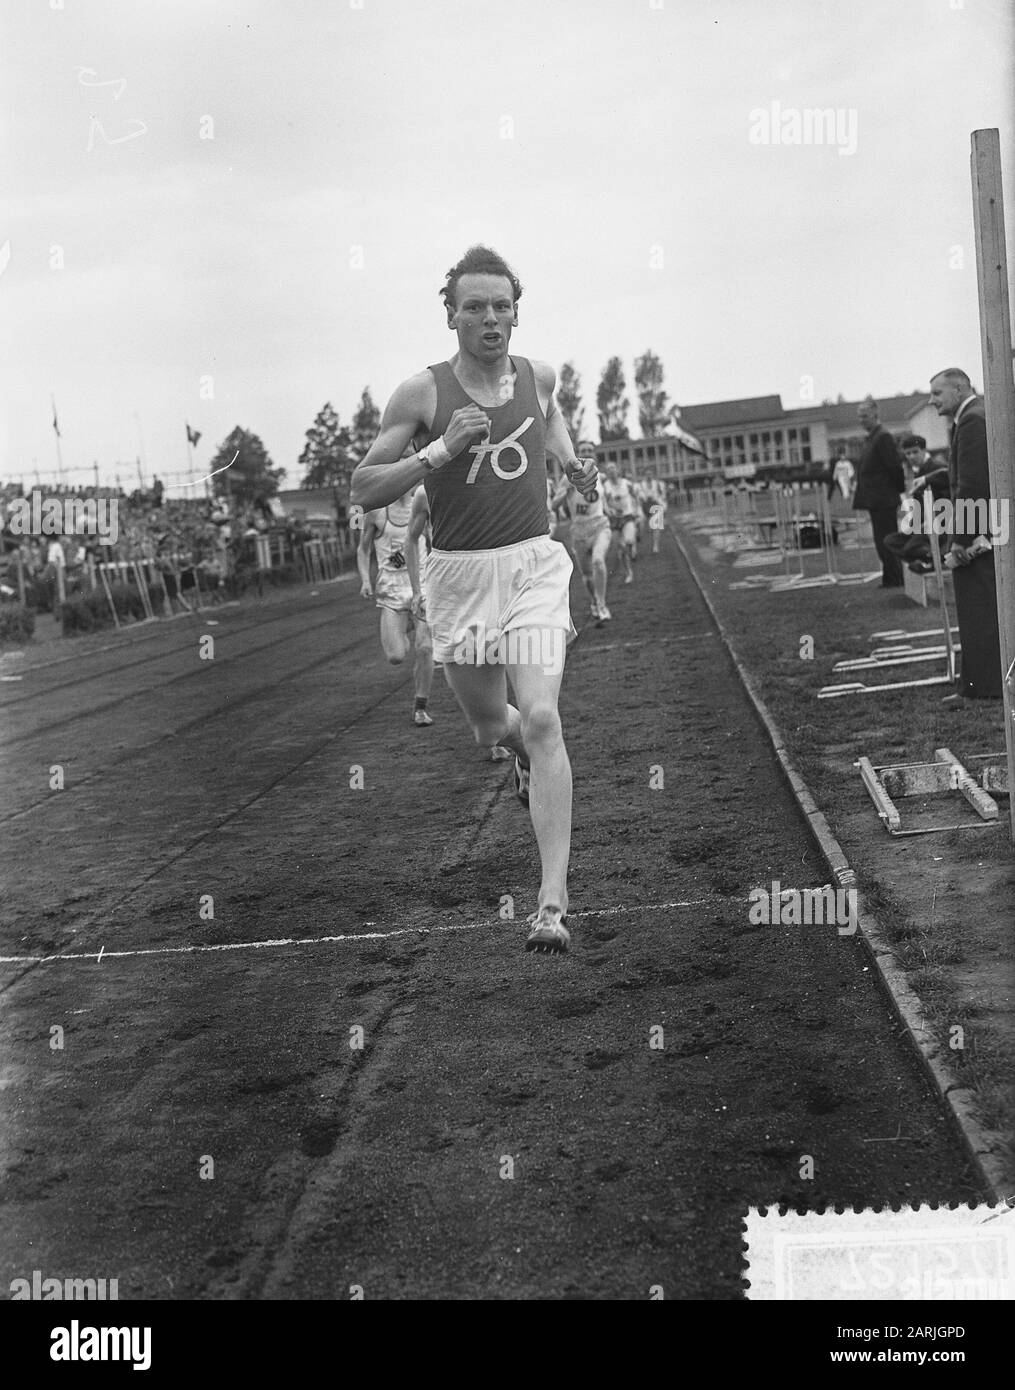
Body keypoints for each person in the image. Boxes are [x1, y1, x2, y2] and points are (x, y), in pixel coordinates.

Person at [349, 244, 599, 954]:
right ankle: (516, 753)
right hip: (458, 578)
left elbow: (554, 434)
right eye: (475, 307)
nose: (490, 318)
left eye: (501, 305)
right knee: (494, 728)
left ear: (515, 311)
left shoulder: (538, 377)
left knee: (543, 715)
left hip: (532, 566)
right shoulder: (421, 395)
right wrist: (437, 452)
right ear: (451, 316)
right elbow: (364, 487)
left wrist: (577, 472)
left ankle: (551, 904)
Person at [405, 485, 511, 758]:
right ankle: (494, 726)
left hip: (486, 576)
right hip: (447, 584)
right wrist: (417, 590)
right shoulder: (424, 493)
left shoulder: (484, 477)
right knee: (458, 659)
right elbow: (411, 539)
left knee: (491, 651)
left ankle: (503, 734)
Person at [929, 368, 1002, 704]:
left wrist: (961, 539)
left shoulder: (972, 420)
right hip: (986, 528)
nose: (932, 401)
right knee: (981, 610)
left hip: (980, 533)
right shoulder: (973, 415)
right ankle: (979, 684)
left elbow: (972, 485)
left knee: (978, 611)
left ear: (958, 390)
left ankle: (983, 687)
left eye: (937, 394)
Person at [358, 484, 436, 726]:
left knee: (424, 647)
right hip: (390, 591)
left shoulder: (424, 502)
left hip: (420, 586)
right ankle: (404, 630)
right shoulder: (376, 513)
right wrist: (365, 580)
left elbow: (436, 541)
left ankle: (420, 707)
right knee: (396, 655)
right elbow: (363, 549)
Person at [553, 438, 612, 620]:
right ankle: (594, 601)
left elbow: (602, 500)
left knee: (598, 562)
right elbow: (554, 504)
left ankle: (602, 605)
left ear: (594, 455)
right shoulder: (567, 478)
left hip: (600, 525)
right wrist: (567, 492)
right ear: (577, 454)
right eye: (583, 451)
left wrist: (609, 510)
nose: (587, 453)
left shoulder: (600, 477)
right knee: (587, 576)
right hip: (578, 530)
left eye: (590, 451)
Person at [852, 397, 905, 587]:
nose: (861, 420)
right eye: (859, 417)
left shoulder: (882, 437)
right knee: (881, 540)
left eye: (865, 416)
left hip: (883, 498)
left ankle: (895, 578)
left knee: (887, 540)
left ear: (875, 415)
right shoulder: (873, 437)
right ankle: (890, 577)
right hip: (876, 498)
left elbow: (894, 467)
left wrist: (898, 492)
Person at [883, 434, 950, 572]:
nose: (912, 456)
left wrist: (931, 521)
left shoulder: (938, 468)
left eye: (915, 452)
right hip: (923, 525)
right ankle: (930, 559)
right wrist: (912, 526)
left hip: (941, 524)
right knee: (890, 540)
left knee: (910, 547)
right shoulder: (918, 472)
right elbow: (919, 505)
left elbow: (948, 500)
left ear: (924, 450)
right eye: (908, 454)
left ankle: (938, 560)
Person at [601, 461, 639, 584]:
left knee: (628, 541)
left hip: (627, 516)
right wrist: (609, 511)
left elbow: (635, 497)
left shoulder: (627, 484)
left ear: (617, 470)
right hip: (614, 520)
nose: (611, 471)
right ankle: (629, 572)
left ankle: (633, 546)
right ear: (606, 473)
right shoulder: (605, 486)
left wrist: (636, 511)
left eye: (613, 468)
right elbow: (604, 504)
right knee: (620, 547)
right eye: (608, 469)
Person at [639, 465, 667, 554]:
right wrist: (644, 497)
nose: (648, 476)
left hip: (656, 505)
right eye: (647, 474)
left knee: (656, 527)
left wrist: (663, 505)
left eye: (650, 474)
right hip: (645, 505)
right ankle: (639, 536)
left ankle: (655, 545)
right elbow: (639, 495)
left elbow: (663, 496)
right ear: (644, 475)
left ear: (653, 475)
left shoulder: (659, 484)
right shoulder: (640, 485)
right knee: (641, 524)